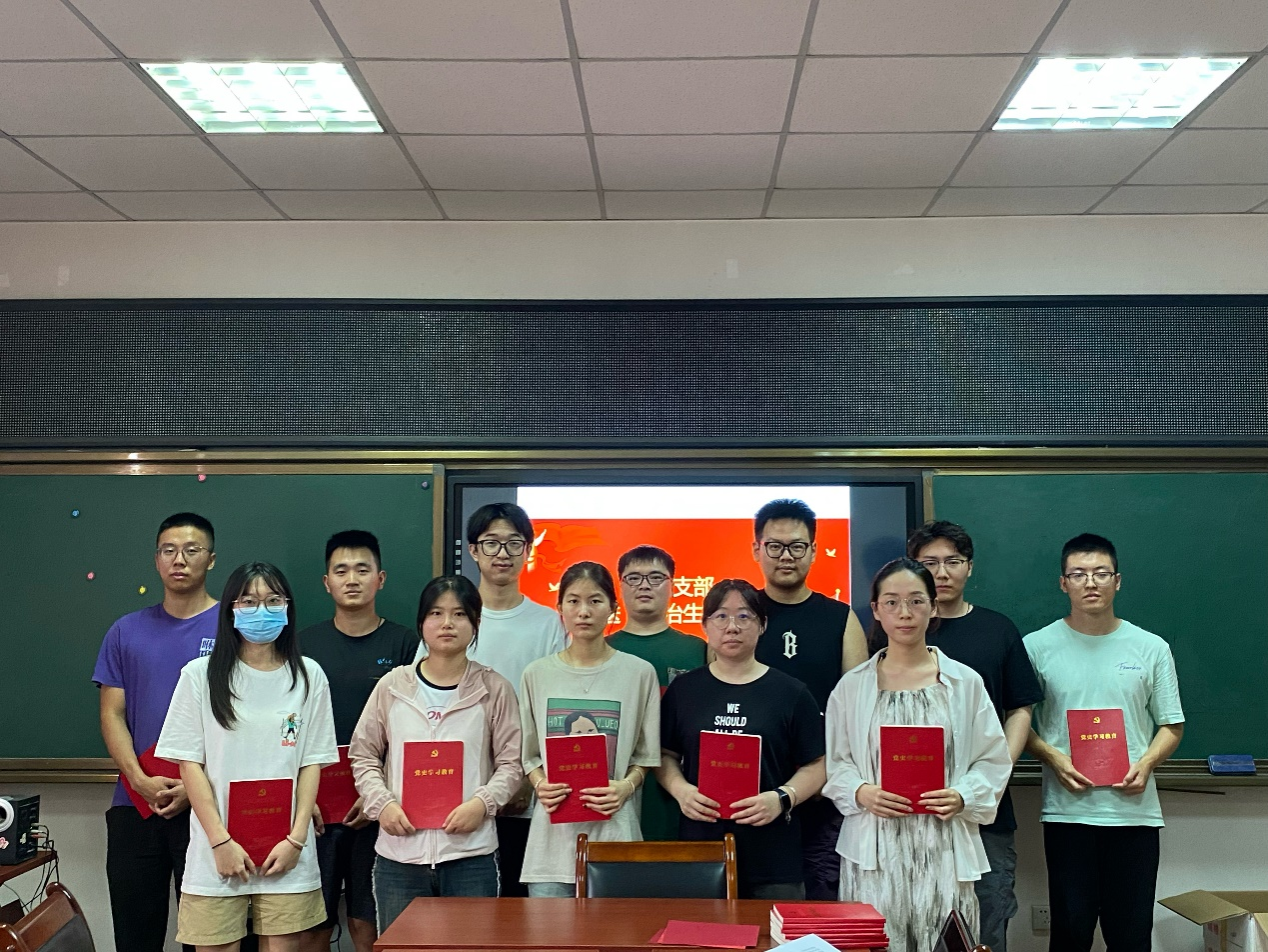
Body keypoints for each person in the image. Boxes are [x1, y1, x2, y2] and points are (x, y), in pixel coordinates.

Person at [824, 558, 1010, 952]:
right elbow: (837, 763)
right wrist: (860, 791)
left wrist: (963, 795)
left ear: (933, 607)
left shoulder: (965, 683)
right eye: (891, 602)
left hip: (944, 843)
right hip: (874, 847)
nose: (904, 613)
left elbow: (993, 758)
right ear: (876, 610)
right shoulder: (851, 687)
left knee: (946, 942)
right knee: (877, 943)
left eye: (916, 601)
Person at [157, 562, 337, 952]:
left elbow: (311, 763)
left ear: (287, 608)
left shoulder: (309, 676)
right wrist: (220, 842)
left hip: (287, 851)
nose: (262, 611)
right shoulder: (199, 675)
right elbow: (190, 765)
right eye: (249, 602)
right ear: (231, 609)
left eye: (273, 600)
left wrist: (296, 839)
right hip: (216, 851)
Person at [1024, 534, 1184, 952]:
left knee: (1131, 938)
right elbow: (1017, 724)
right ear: (1063, 583)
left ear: (1118, 580)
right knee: (1070, 934)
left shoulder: (1151, 648)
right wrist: (1053, 757)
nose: (1090, 582)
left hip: (1134, 815)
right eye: (1078, 574)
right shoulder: (1035, 647)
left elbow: (1171, 725)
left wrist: (1146, 763)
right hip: (1067, 812)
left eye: (1101, 573)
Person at [349, 576, 522, 929]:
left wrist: (482, 804)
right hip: (399, 857)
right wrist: (382, 804)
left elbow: (512, 763)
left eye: (459, 614)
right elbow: (363, 754)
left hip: (470, 856)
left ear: (475, 623)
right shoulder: (392, 685)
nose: (447, 623)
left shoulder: (494, 688)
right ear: (421, 622)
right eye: (436, 613)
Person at [907, 521, 1043, 952]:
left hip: (985, 813)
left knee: (985, 928)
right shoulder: (901, 630)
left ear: (969, 567)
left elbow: (1020, 708)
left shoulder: (997, 629)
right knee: (914, 930)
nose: (942, 572)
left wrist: (996, 772)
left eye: (953, 561)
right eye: (930, 562)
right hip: (911, 812)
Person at [92, 512, 219, 952]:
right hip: (135, 803)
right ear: (156, 559)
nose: (179, 560)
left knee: (209, 939)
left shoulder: (234, 628)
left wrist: (196, 786)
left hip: (210, 807)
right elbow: (112, 714)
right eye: (169, 550)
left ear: (211, 559)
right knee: (135, 936)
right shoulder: (125, 630)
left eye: (191, 550)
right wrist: (140, 779)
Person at [658, 579, 826, 898]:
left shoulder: (791, 692)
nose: (732, 627)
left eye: (744, 616)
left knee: (773, 931)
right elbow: (665, 755)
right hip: (701, 848)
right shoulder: (684, 689)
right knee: (698, 930)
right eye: (721, 616)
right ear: (705, 625)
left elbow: (818, 764)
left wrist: (782, 798)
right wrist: (681, 790)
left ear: (762, 625)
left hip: (772, 853)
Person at [298, 531, 417, 952]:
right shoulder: (302, 646)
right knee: (312, 924)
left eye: (362, 570)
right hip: (313, 807)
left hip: (381, 805)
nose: (352, 579)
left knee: (369, 921)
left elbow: (415, 728)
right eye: (341, 570)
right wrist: (301, 797)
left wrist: (379, 797)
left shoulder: (405, 644)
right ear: (326, 582)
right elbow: (288, 725)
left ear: (380, 579)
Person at [519, 562, 660, 896]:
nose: (584, 612)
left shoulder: (639, 673)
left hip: (616, 837)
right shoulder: (536, 674)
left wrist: (625, 786)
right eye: (573, 601)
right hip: (550, 845)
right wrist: (540, 784)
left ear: (613, 607)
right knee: (548, 931)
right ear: (560, 608)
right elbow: (528, 754)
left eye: (595, 601)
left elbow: (646, 755)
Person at [751, 498, 868, 900]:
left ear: (814, 551)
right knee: (755, 906)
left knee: (822, 904)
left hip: (824, 791)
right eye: (775, 546)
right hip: (755, 790)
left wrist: (831, 772)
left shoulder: (840, 618)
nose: (786, 556)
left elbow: (857, 708)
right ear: (757, 549)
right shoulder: (741, 616)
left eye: (797, 546)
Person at [463, 502, 567, 896]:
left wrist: (525, 775)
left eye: (513, 543)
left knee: (519, 907)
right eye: (491, 543)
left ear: (528, 550)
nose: (502, 554)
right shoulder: (452, 619)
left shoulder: (549, 624)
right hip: (462, 790)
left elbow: (553, 710)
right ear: (473, 551)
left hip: (528, 791)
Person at [607, 544, 706, 840]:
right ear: (620, 586)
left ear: (673, 585)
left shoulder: (698, 649)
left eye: (655, 577)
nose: (644, 585)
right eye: (634, 578)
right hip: (615, 782)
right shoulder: (602, 649)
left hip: (685, 786)